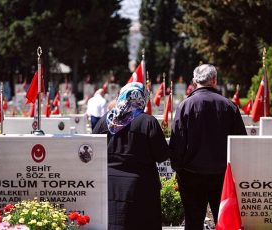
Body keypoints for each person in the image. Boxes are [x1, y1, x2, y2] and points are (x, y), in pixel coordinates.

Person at [169, 64, 247, 230]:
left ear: (195, 81)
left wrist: (178, 168)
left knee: (193, 222)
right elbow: (241, 143)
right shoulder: (229, 106)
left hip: (191, 174)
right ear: (214, 80)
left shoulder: (185, 106)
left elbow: (177, 142)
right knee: (224, 221)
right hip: (221, 176)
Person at [93, 82, 169, 230]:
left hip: (109, 184)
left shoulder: (104, 121)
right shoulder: (148, 122)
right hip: (141, 186)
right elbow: (162, 155)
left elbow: (93, 150)